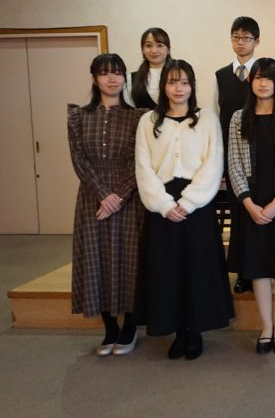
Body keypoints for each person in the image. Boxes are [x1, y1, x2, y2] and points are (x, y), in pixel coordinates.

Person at [135, 59, 234, 360]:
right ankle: (177, 330)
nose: (178, 88)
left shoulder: (207, 119)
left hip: (197, 204)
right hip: (162, 205)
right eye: (172, 82)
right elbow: (143, 166)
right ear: (163, 86)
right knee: (168, 269)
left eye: (184, 82)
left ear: (192, 86)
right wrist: (164, 204)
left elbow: (214, 162)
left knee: (197, 268)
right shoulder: (148, 121)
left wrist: (189, 201)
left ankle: (195, 331)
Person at [68, 53, 146, 356]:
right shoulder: (78, 116)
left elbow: (140, 161)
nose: (111, 79)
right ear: (94, 78)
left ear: (125, 78)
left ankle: (130, 328)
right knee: (96, 259)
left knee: (130, 260)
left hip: (129, 197)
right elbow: (78, 159)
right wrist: (104, 194)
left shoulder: (138, 116)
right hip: (92, 197)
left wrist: (119, 195)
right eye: (104, 73)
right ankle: (109, 328)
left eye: (117, 73)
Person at [227, 58, 275, 354]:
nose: (263, 83)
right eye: (258, 78)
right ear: (251, 82)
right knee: (257, 265)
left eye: (269, 78)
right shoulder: (238, 118)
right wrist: (248, 203)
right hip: (251, 199)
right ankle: (266, 327)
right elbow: (233, 162)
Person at [215, 16, 261, 294]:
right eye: (236, 37)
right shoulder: (220, 76)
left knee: (259, 214)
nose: (241, 42)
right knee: (240, 216)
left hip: (260, 157)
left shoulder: (265, 73)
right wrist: (220, 166)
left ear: (257, 41)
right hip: (233, 159)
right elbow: (215, 122)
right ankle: (243, 272)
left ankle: (260, 268)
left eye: (246, 38)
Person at [128, 27, 171, 109]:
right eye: (148, 45)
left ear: (168, 49)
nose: (154, 50)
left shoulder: (180, 75)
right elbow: (130, 110)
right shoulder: (131, 78)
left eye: (160, 45)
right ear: (142, 49)